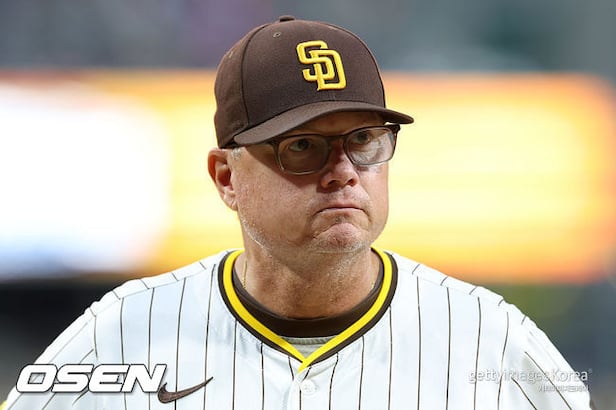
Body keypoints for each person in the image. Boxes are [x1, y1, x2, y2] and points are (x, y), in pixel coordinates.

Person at [2, 16, 592, 410]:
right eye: (303, 146)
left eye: (364, 140)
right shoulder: (121, 334)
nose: (344, 171)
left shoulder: (492, 338)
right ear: (226, 178)